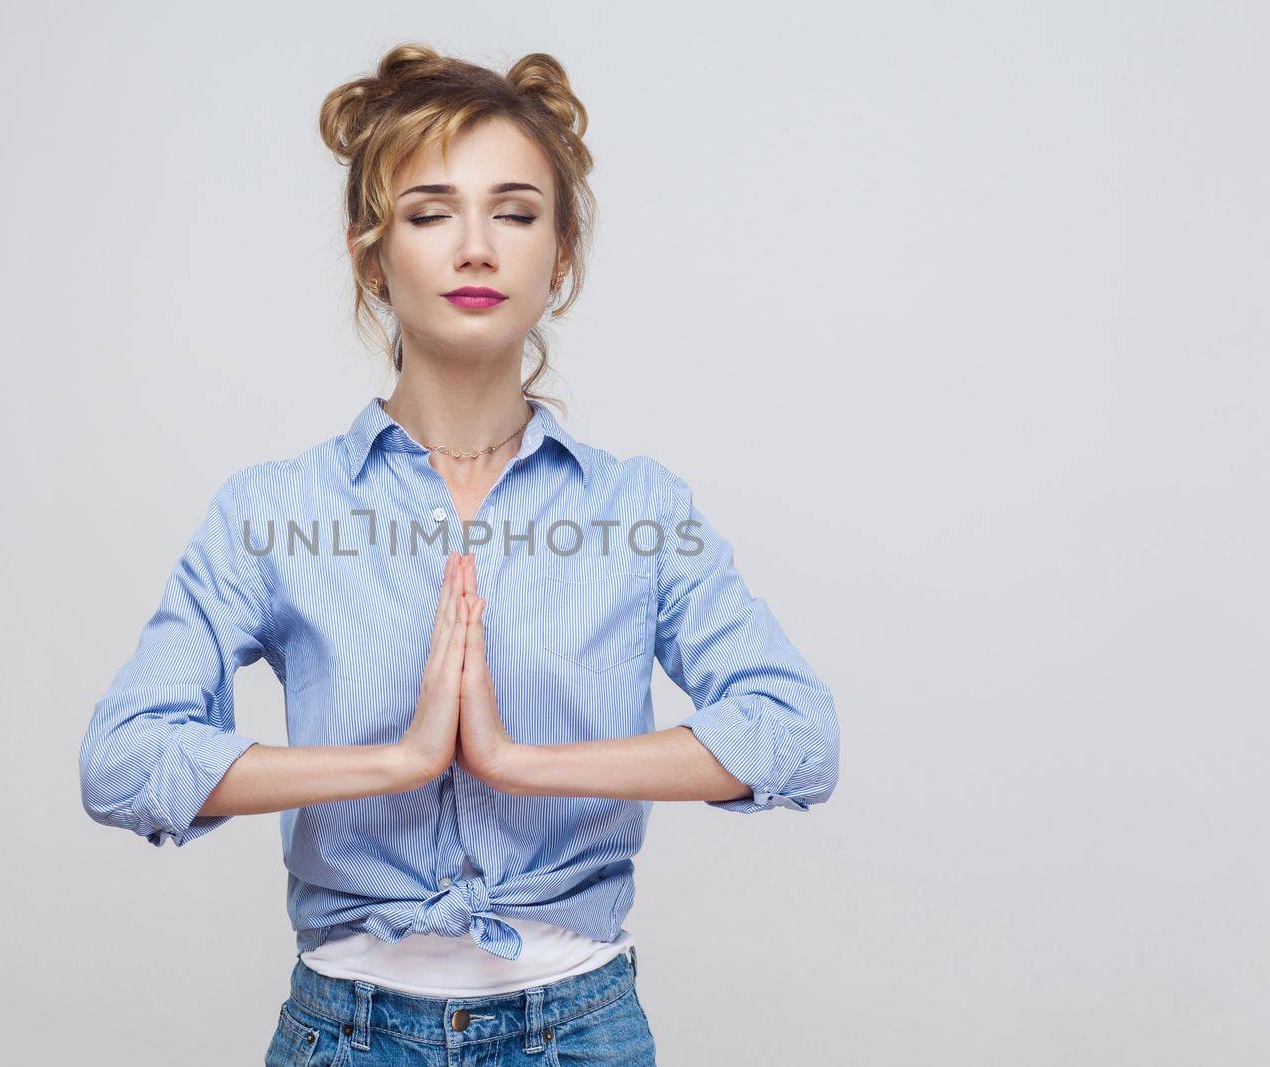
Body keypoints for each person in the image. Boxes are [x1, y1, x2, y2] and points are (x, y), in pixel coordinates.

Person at [79, 43, 840, 1065]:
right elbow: (123, 760)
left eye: (515, 212)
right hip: (346, 1031)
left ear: (560, 253)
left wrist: (520, 763)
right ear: (371, 253)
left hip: (579, 1027)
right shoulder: (274, 510)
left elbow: (797, 736)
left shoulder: (635, 508)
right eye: (430, 212)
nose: (476, 247)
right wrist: (391, 761)